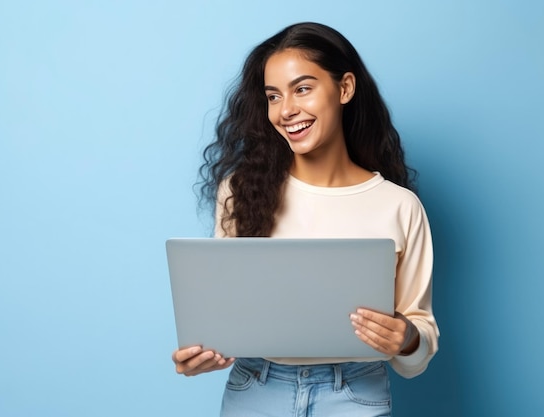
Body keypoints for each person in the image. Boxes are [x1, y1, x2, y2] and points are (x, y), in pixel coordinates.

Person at [172, 22, 439, 416]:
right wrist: (202, 353)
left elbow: (418, 344)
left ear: (345, 88)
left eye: (302, 88)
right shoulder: (241, 190)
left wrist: (407, 338)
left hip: (355, 391)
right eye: (273, 96)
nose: (286, 110)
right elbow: (225, 314)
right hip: (255, 389)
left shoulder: (399, 206)